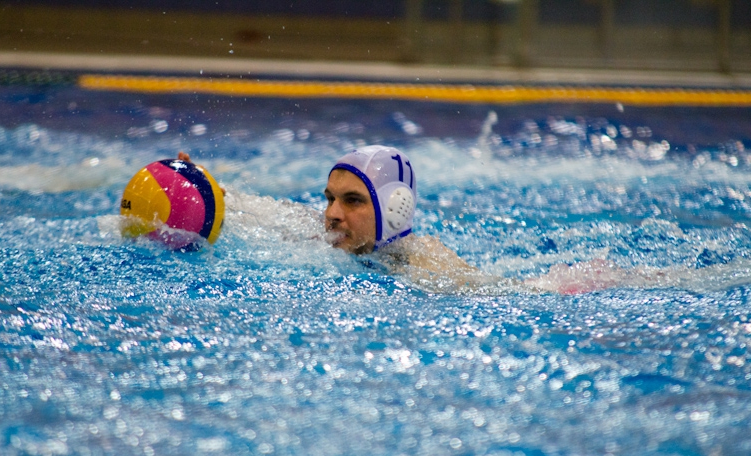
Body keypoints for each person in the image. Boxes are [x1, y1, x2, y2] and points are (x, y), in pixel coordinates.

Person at [179, 147, 666, 295]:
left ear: (393, 210)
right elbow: (257, 209)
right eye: (329, 199)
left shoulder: (420, 261)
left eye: (352, 201)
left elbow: (502, 294)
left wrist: (575, 283)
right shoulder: (328, 233)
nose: (331, 214)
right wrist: (205, 186)